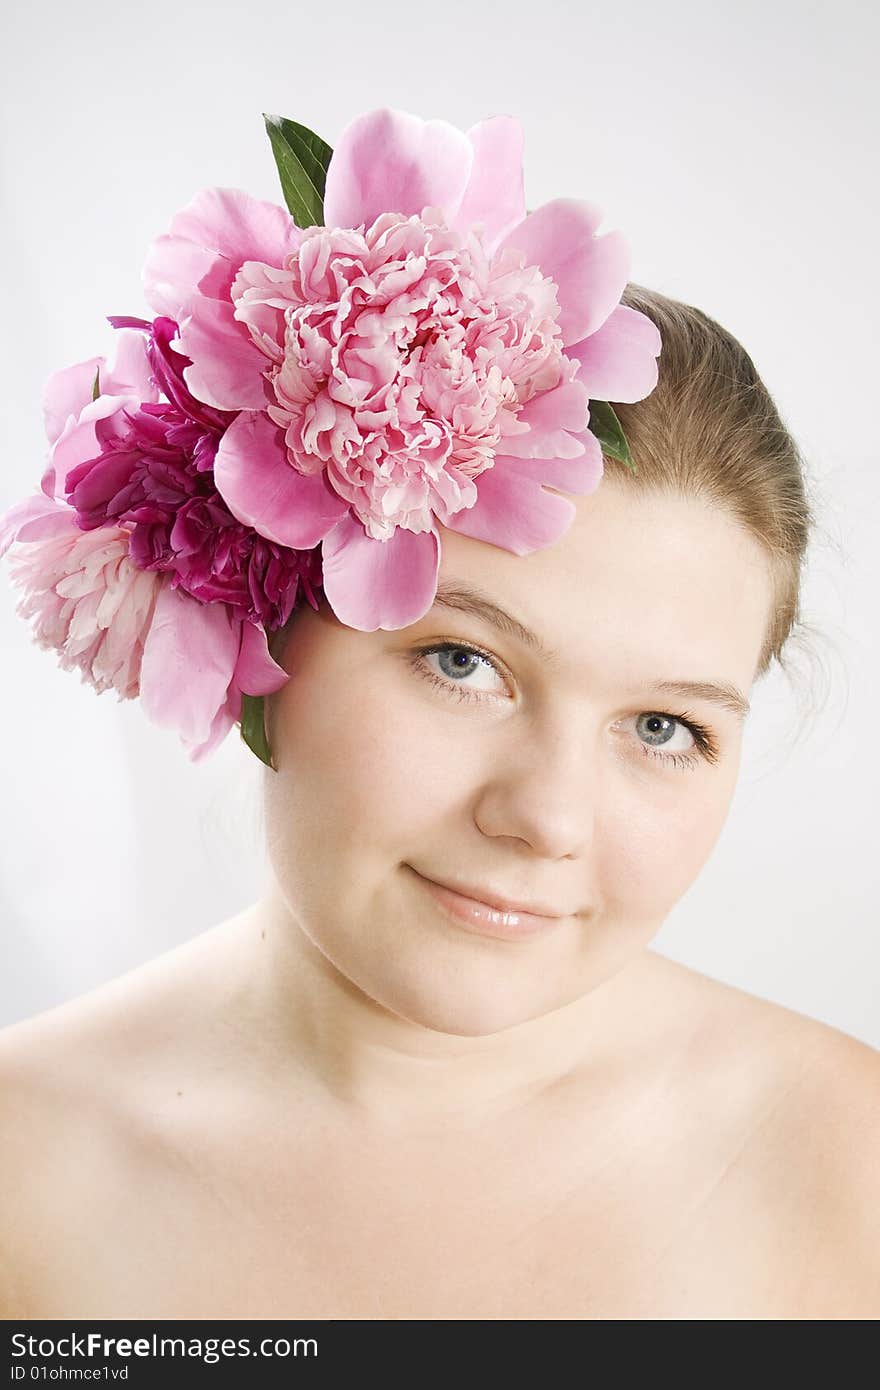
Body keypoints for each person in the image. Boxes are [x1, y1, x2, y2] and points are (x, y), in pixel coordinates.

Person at [1, 279, 878, 1322]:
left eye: (662, 728)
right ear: (256, 615)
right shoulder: (28, 1172)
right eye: (461, 661)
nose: (546, 819)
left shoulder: (846, 1160)